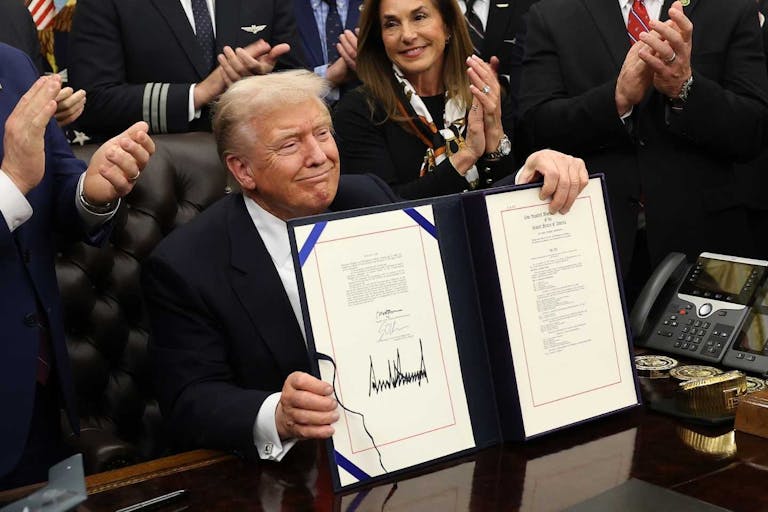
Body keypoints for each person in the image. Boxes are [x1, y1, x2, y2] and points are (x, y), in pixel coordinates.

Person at [143, 69, 589, 461]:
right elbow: (189, 399)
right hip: (288, 468)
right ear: (242, 171)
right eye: (291, 144)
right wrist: (275, 414)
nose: (319, 155)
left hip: (409, 439)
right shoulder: (186, 264)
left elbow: (458, 244)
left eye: (322, 133)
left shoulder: (367, 195)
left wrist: (532, 181)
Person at [519, 0, 768, 301]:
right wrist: (617, 99)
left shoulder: (729, 7)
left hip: (705, 245)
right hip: (591, 247)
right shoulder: (552, 13)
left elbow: (753, 131)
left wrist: (685, 87)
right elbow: (535, 129)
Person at [0, 43, 155, 488]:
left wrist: (91, 189)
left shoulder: (13, 63)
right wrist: (10, 183)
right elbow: (19, 180)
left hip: (34, 386)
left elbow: (58, 178)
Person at [333, 0, 563, 201]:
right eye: (391, 24)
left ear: (448, 26)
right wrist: (466, 155)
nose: (408, 35)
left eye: (419, 17)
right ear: (380, 37)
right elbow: (386, 209)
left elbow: (507, 198)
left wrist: (494, 133)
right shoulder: (358, 110)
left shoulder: (487, 95)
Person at [68, 0, 305, 138]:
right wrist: (198, 94)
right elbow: (94, 101)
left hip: (258, 168)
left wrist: (261, 83)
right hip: (157, 180)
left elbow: (298, 82)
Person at [294, 0, 364, 102]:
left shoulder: (378, 5)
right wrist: (326, 78)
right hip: (303, 112)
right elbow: (276, 82)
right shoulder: (281, 6)